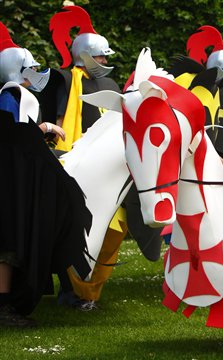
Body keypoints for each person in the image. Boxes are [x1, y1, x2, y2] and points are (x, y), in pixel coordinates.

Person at [0, 20, 90, 327]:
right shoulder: (8, 96)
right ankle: (3, 307)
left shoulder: (13, 95)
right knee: (8, 244)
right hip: (9, 183)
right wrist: (45, 128)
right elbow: (13, 136)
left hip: (14, 178)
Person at [41, 5, 122, 311]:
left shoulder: (111, 85)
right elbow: (61, 121)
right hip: (76, 163)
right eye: (100, 56)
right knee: (74, 228)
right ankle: (71, 291)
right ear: (85, 54)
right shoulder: (65, 81)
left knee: (111, 228)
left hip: (108, 169)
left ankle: (90, 290)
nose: (104, 62)